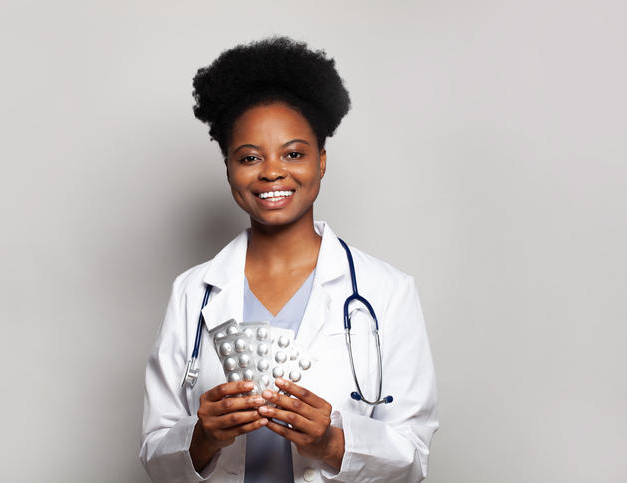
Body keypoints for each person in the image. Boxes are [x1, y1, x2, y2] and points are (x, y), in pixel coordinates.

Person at [140, 37, 438, 483]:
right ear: (228, 169)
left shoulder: (387, 292)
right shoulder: (193, 292)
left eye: (293, 154)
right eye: (249, 157)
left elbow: (413, 458)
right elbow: (155, 452)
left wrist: (333, 444)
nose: (272, 172)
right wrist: (203, 437)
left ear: (320, 161)